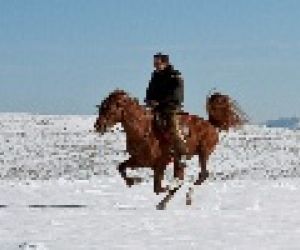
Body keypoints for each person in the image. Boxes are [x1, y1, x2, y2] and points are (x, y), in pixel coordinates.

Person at [145, 52, 185, 154]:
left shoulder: (175, 76)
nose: (155, 66)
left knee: (173, 126)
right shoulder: (155, 76)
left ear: (165, 63)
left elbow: (176, 93)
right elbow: (150, 90)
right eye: (154, 64)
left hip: (171, 107)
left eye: (157, 63)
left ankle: (181, 151)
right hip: (155, 107)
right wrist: (149, 100)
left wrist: (160, 102)